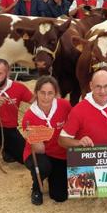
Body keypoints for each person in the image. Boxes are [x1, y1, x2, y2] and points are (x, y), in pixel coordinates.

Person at [58, 69, 107, 208]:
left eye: (106, 86)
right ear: (90, 86)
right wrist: (78, 142)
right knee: (76, 193)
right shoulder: (78, 110)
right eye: (98, 87)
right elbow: (62, 140)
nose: (102, 91)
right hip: (87, 157)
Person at [21, 76, 73, 205]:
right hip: (40, 154)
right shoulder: (29, 116)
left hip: (60, 153)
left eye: (50, 93)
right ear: (36, 93)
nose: (46, 97)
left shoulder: (64, 105)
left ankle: (53, 176)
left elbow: (75, 123)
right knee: (44, 166)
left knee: (60, 196)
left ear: (56, 94)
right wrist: (34, 138)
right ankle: (36, 187)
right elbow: (40, 149)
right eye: (42, 93)